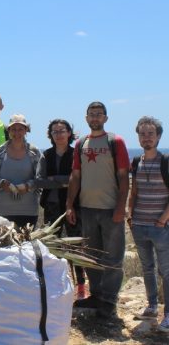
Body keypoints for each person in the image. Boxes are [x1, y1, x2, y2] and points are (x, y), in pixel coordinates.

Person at [66, 101, 129, 319]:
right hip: (87, 208)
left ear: (105, 118)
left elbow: (123, 176)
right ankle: (97, 295)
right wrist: (69, 204)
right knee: (91, 256)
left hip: (111, 209)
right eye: (91, 114)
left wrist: (121, 207)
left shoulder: (116, 141)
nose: (95, 118)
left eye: (99, 114)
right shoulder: (81, 143)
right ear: (86, 118)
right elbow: (75, 175)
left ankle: (109, 301)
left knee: (113, 258)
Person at [36, 119, 86, 299]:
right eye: (55, 131)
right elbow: (39, 180)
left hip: (73, 205)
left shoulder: (76, 154)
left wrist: (55, 179)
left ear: (69, 133)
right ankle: (55, 284)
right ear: (51, 135)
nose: (58, 134)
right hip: (51, 204)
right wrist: (64, 181)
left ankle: (81, 286)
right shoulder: (46, 155)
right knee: (52, 246)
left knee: (75, 246)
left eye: (62, 130)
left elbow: (78, 179)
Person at [128, 116, 169, 331]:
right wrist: (130, 214)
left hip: (160, 227)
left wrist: (163, 219)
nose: (146, 138)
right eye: (142, 134)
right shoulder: (137, 161)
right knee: (147, 268)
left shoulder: (166, 161)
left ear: (159, 136)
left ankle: (168, 314)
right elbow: (134, 191)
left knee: (166, 270)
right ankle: (152, 306)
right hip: (139, 224)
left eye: (150, 134)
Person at [0, 114, 41, 228]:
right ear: (8, 131)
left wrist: (27, 186)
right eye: (13, 129)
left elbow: (40, 178)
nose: (17, 133)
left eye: (20, 129)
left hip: (29, 210)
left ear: (26, 131)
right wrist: (1, 183)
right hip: (2, 211)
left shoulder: (34, 152)